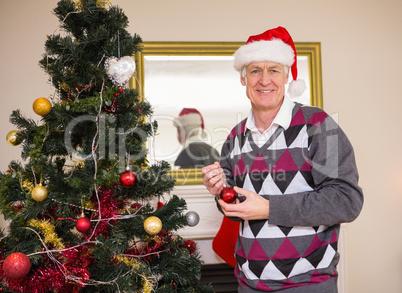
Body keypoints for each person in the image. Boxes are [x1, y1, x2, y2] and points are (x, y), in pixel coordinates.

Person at [202, 26, 363, 292]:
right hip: (249, 284)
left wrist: (268, 208)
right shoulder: (235, 136)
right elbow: (234, 210)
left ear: (287, 75)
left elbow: (346, 201)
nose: (264, 80)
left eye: (273, 70)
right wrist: (221, 192)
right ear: (244, 79)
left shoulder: (318, 125)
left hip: (308, 285)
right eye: (255, 70)